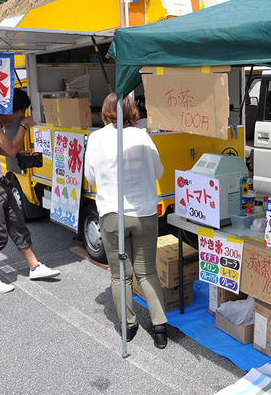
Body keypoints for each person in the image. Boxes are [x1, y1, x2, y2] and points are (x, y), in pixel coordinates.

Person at [84, 93, 168, 349]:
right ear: (132, 110)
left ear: (105, 111)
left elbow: (91, 178)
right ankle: (160, 327)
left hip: (112, 214)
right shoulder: (142, 135)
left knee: (121, 275)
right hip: (143, 213)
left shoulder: (96, 138)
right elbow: (158, 171)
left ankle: (129, 326)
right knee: (147, 271)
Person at [0, 88, 60, 294]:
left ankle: (35, 267)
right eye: (18, 115)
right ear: (9, 108)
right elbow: (8, 149)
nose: (17, 120)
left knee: (17, 225)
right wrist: (24, 127)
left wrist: (19, 150)